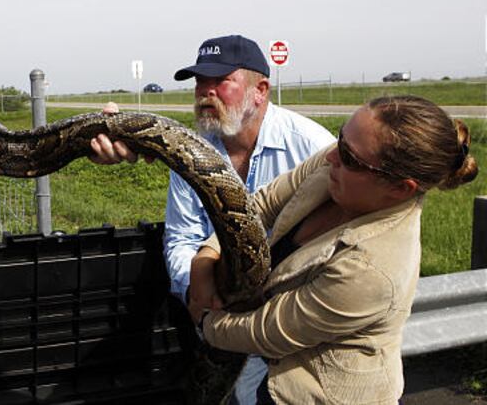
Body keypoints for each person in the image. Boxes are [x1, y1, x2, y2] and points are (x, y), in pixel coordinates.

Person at [190, 95, 478, 404]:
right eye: (341, 137)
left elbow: (268, 333)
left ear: (400, 188)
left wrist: (203, 318)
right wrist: (207, 255)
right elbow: (261, 205)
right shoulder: (341, 160)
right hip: (271, 371)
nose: (331, 157)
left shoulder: (373, 269)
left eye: (350, 157)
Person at [168, 34, 335, 403]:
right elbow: (181, 237)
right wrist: (197, 291)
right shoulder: (191, 153)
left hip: (292, 322)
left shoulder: (311, 146)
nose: (205, 91)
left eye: (219, 81)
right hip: (220, 315)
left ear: (260, 90)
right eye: (199, 82)